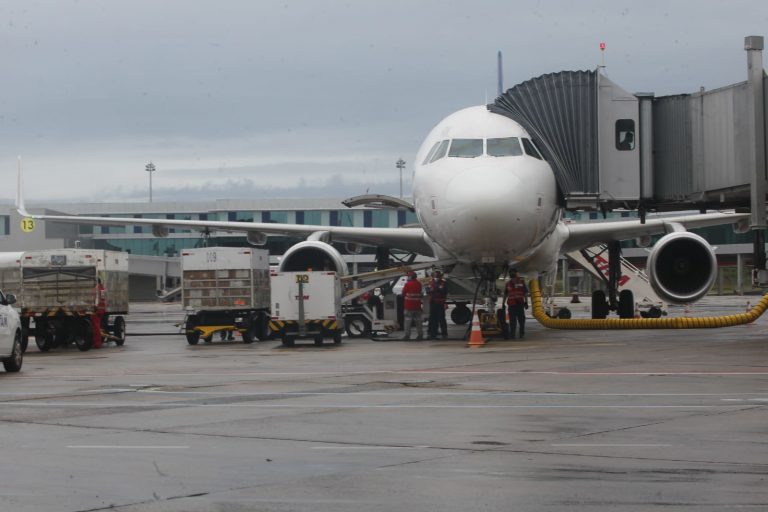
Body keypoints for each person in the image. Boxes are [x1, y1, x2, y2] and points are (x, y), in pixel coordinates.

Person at [504, 270, 528, 339]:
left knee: (521, 320)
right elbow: (505, 294)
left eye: (514, 277)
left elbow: (525, 293)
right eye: (512, 278)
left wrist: (526, 302)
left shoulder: (521, 282)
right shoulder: (508, 284)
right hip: (512, 305)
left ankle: (521, 333)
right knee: (512, 321)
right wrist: (503, 303)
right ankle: (512, 334)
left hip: (520, 304)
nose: (513, 279)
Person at [401, 271, 423, 341]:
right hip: (417, 306)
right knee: (418, 321)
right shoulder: (419, 284)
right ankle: (420, 335)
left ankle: (407, 336)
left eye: (408, 276)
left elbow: (403, 293)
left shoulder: (408, 284)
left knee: (408, 321)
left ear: (410, 277)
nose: (407, 277)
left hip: (409, 306)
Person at [426, 270, 448, 339]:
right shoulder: (430, 282)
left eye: (437, 275)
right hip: (433, 302)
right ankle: (432, 333)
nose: (436, 277)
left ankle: (444, 333)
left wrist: (435, 289)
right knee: (433, 319)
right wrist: (437, 289)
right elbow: (428, 291)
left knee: (441, 319)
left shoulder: (443, 283)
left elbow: (444, 291)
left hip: (440, 303)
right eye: (435, 275)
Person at [92, 277, 106, 349]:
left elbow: (95, 299)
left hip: (96, 311)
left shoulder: (96, 289)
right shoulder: (102, 288)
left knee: (96, 327)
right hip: (101, 311)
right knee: (98, 327)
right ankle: (98, 341)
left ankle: (97, 343)